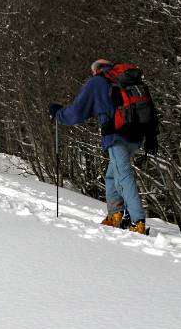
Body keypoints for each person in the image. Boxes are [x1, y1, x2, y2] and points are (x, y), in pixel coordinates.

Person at [49, 59, 158, 234]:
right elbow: (150, 107)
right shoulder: (128, 80)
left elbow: (77, 112)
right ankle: (115, 215)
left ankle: (138, 221)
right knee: (112, 175)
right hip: (137, 134)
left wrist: (58, 114)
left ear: (95, 70)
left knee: (123, 174)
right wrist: (152, 136)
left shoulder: (97, 82)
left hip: (116, 135)